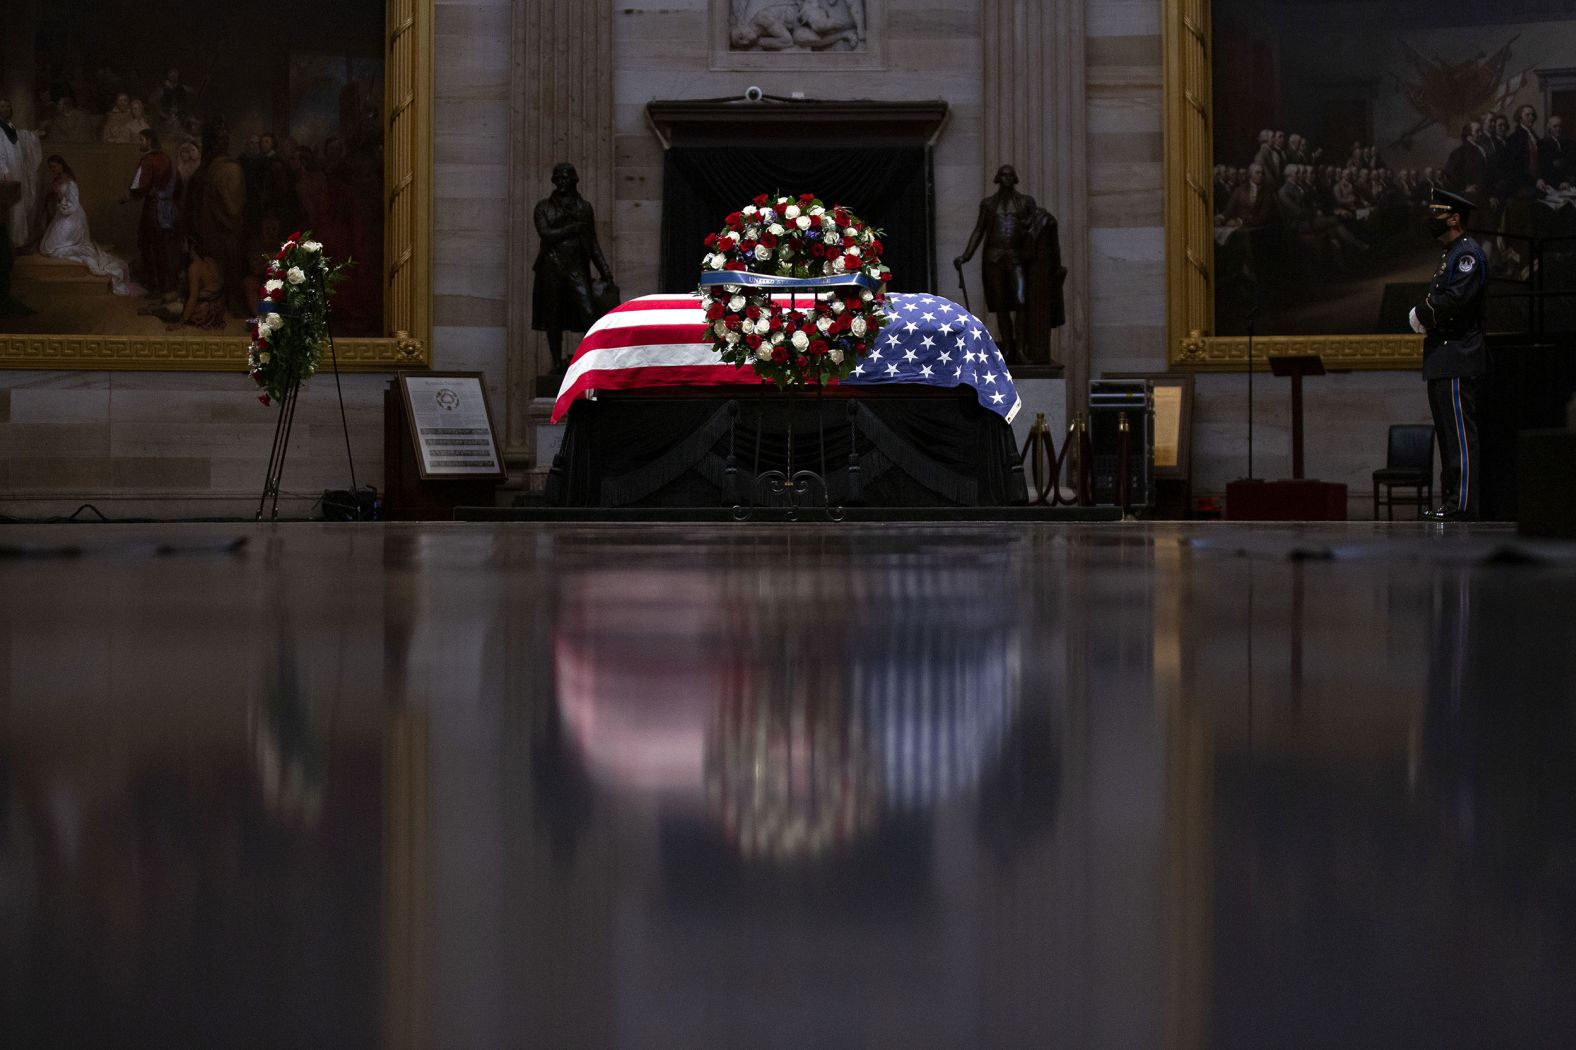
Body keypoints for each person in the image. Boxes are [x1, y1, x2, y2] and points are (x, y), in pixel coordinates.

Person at [1408, 188, 1487, 521]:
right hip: (1443, 356)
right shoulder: (1451, 254)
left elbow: (1455, 301)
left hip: (1457, 354)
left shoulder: (1467, 254)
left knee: (1460, 436)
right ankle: (1452, 500)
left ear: (1454, 218)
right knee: (1447, 435)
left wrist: (1421, 314)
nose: (1433, 220)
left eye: (1438, 214)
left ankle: (1463, 503)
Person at [955, 163, 1044, 364]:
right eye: (1003, 175)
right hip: (993, 258)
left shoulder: (1026, 202)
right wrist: (966, 255)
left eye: (1010, 175)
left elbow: (1036, 230)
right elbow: (979, 230)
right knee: (1001, 304)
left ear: (1015, 178)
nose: (1006, 178)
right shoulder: (988, 204)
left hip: (1016, 258)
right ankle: (1008, 349)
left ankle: (1021, 348)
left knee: (1021, 303)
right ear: (997, 178)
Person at [531, 162, 615, 372]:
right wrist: (573, 228)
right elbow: (545, 234)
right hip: (551, 266)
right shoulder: (543, 207)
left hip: (577, 268)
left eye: (565, 178)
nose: (561, 182)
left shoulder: (584, 207)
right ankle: (556, 361)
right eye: (557, 178)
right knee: (553, 317)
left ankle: (590, 361)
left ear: (574, 180)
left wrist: (605, 271)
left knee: (589, 312)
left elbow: (593, 242)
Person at [38, 154, 139, 296]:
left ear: (61, 165)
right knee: (47, 247)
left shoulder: (71, 182)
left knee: (52, 248)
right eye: (50, 168)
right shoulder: (57, 180)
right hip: (62, 215)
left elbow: (72, 206)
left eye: (54, 167)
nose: (52, 170)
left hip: (73, 218)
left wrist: (59, 199)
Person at [122, 128, 177, 295]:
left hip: (153, 211)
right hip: (166, 210)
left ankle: (154, 286)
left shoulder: (147, 160)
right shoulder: (167, 158)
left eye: (141, 140)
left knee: (147, 245)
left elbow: (140, 186)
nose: (139, 143)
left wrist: (128, 196)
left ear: (148, 141)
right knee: (162, 249)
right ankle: (165, 287)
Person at [0, 99, 44, 249]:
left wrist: (33, 135)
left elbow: (21, 138)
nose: (6, 109)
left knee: (19, 205)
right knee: (11, 208)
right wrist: (4, 171)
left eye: (8, 106)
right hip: (7, 173)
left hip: (17, 171)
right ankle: (11, 243)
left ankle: (18, 241)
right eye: (2, 107)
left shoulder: (10, 126)